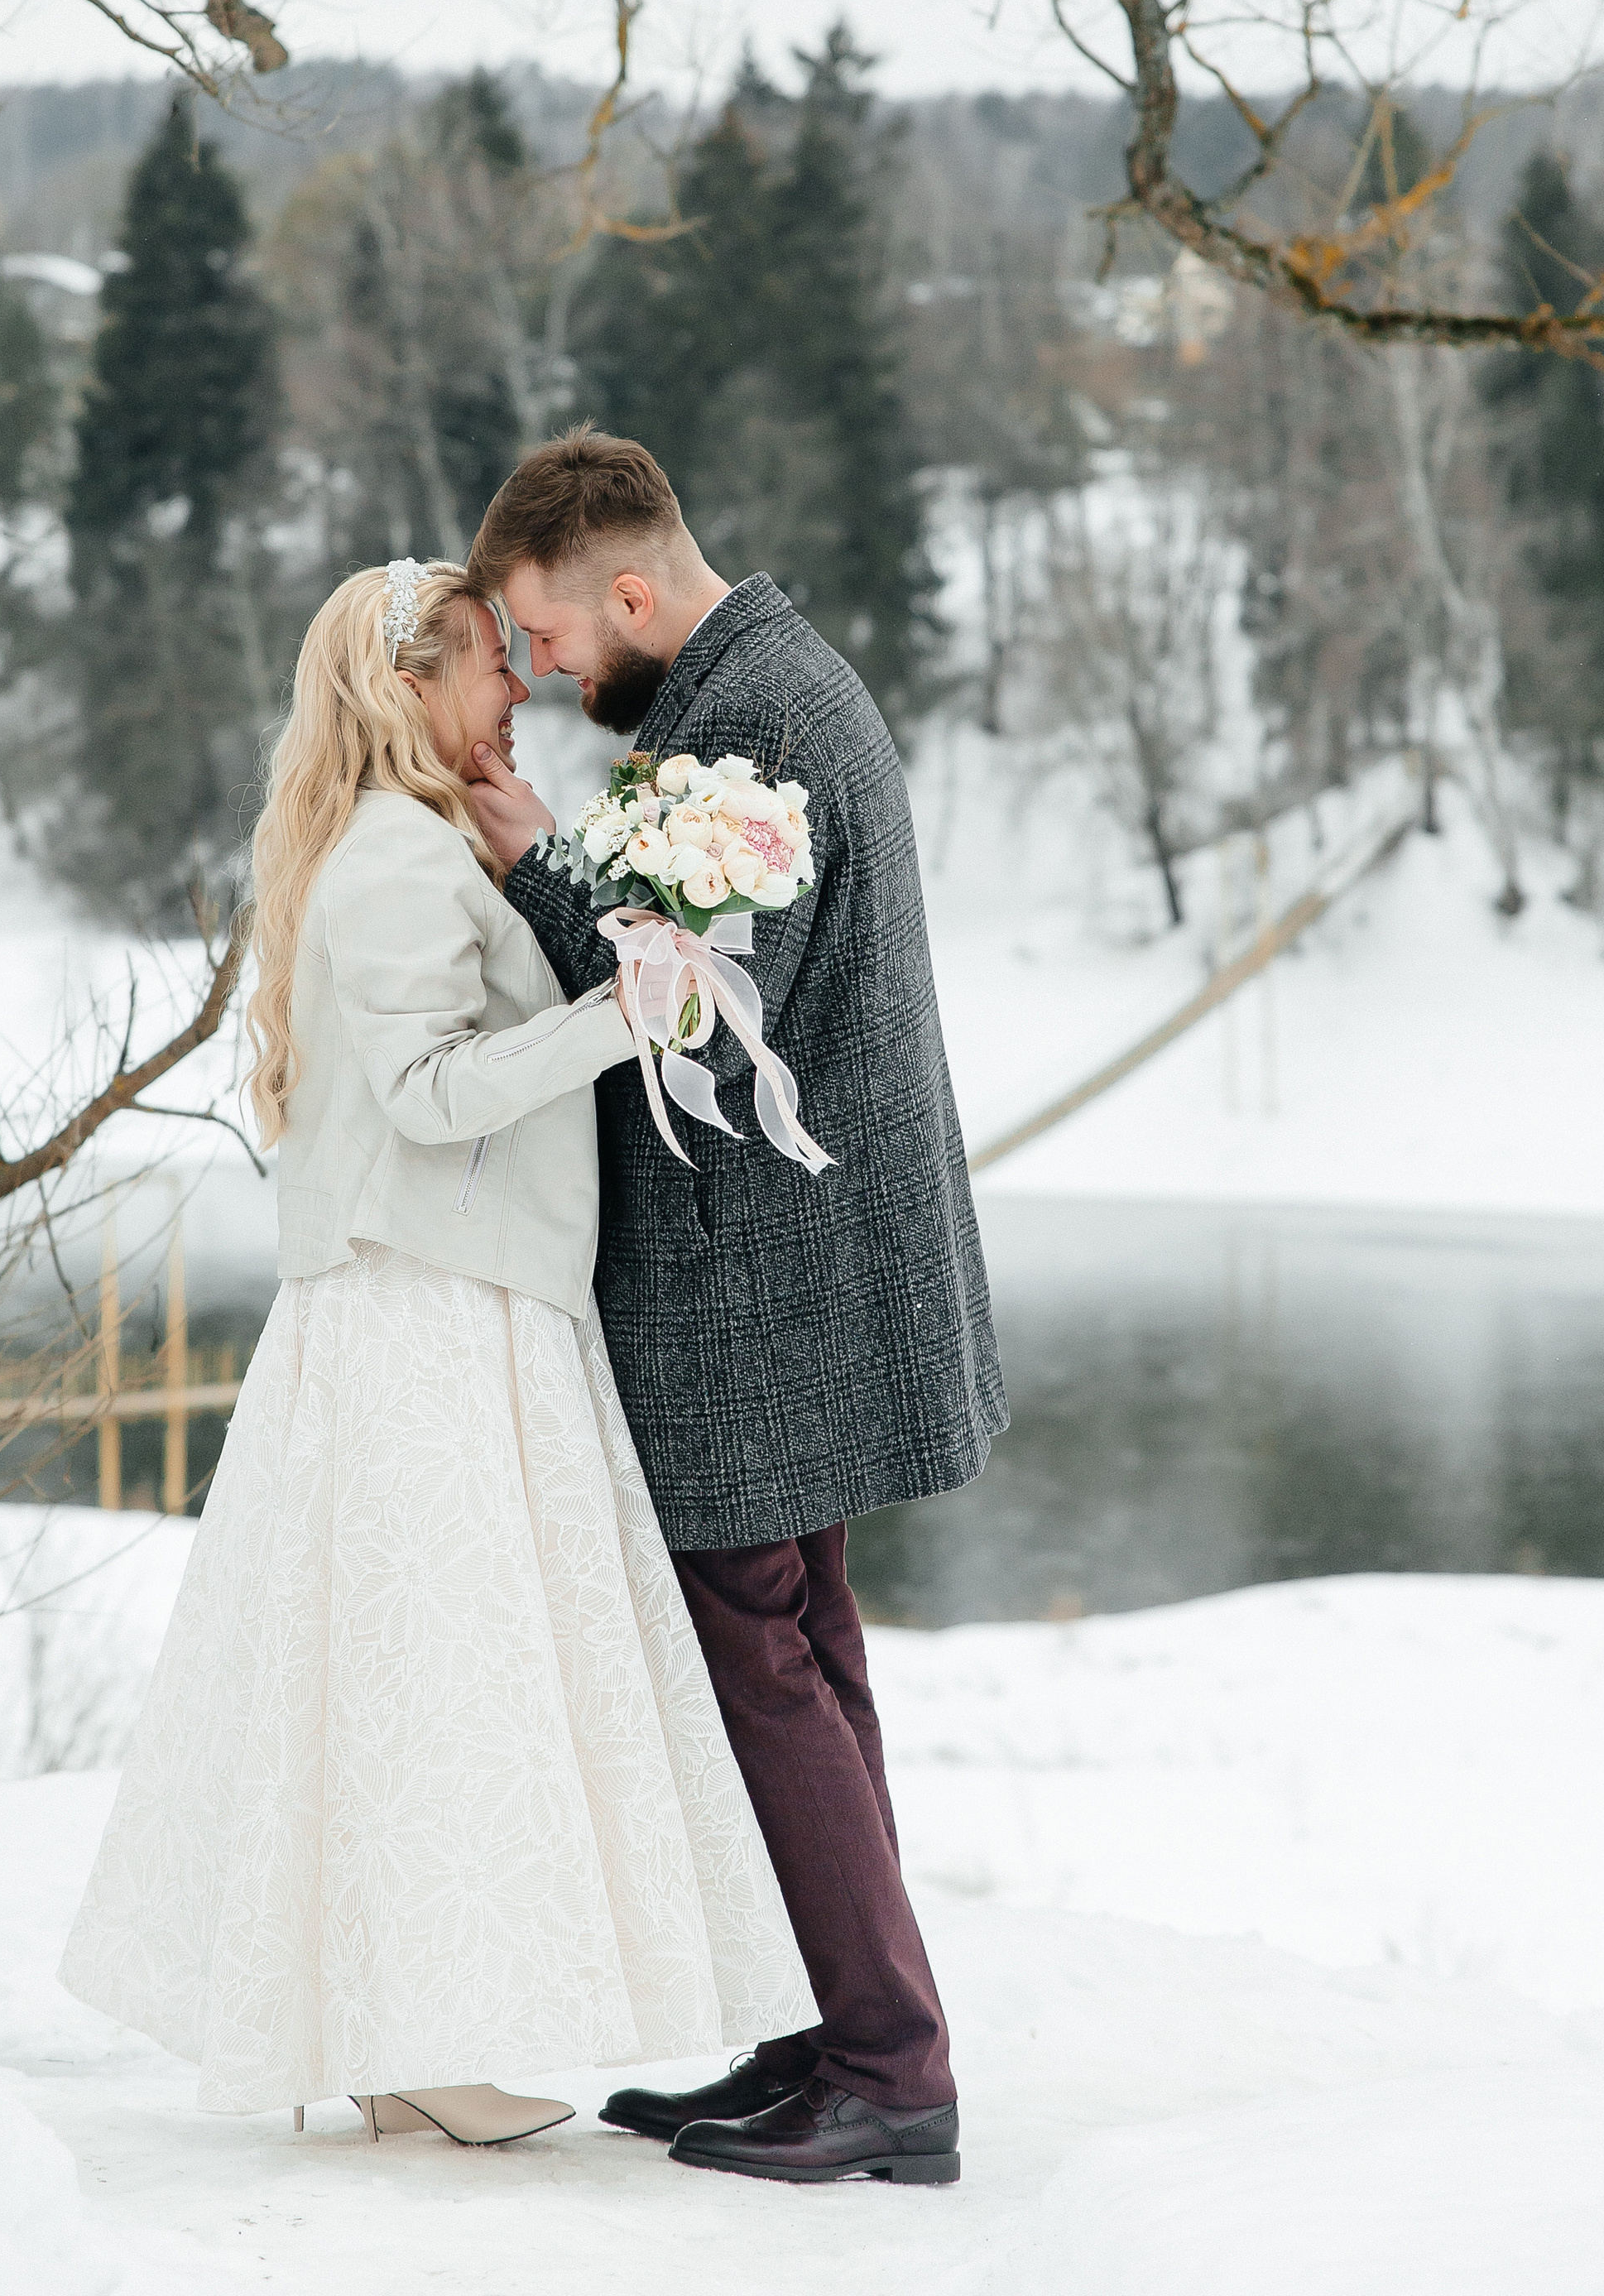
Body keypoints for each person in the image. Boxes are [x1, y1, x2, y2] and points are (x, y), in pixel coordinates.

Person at [60, 559, 809, 2149]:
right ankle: (420, 2040)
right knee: (451, 1684)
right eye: (490, 666)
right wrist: (634, 1007)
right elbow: (428, 1097)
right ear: (410, 685)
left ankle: (413, 2036)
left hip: (447, 1297)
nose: (518, 689)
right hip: (433, 1318)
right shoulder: (395, 861)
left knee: (429, 1690)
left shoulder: (412, 840)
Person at [463, 430, 1006, 2191]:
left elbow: (689, 1008)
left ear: (629, 592)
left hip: (763, 1292)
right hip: (801, 1269)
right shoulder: (754, 686)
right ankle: (824, 2030)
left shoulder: (746, 725)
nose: (538, 676)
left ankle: (886, 2069)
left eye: (546, 640)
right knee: (804, 1654)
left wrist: (536, 860)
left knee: (758, 1660)